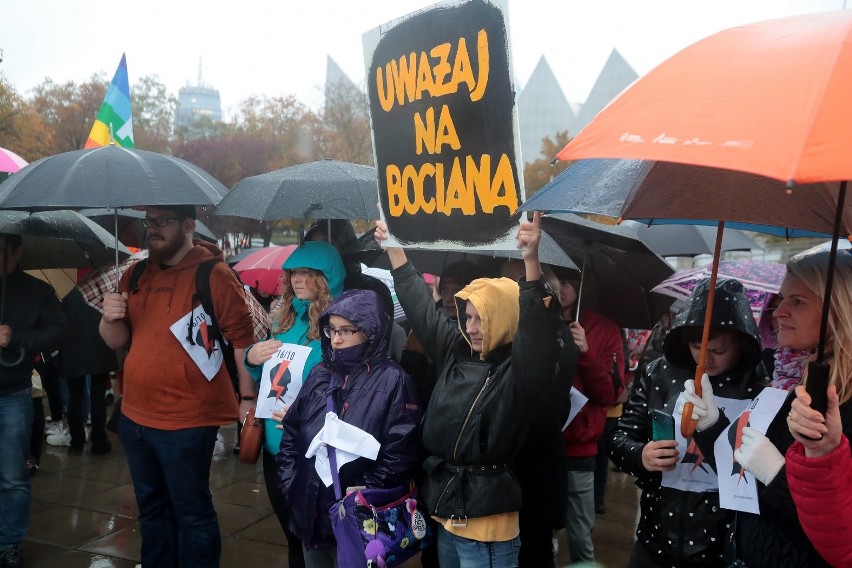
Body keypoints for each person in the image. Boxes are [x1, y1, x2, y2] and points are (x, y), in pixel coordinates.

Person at [375, 213, 562, 567]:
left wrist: (531, 262)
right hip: (448, 511)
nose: (471, 327)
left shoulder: (520, 372)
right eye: (467, 316)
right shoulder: (456, 350)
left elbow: (538, 336)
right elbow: (420, 307)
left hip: (486, 526)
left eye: (482, 318)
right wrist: (395, 249)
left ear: (505, 318)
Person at [99, 205, 255, 568]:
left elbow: (243, 342)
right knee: (151, 510)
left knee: (192, 512)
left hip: (187, 421)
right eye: (149, 222)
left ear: (188, 225)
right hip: (134, 415)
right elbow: (116, 340)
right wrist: (110, 317)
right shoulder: (135, 274)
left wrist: (247, 399)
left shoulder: (213, 275)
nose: (152, 229)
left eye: (162, 222)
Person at [610, 277, 765, 567]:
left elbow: (757, 475)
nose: (705, 359)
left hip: (722, 547)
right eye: (696, 346)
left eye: (718, 351)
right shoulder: (660, 373)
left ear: (743, 344)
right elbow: (621, 437)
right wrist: (640, 455)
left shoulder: (758, 385)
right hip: (653, 540)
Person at [275, 288, 421, 566]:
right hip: (310, 513)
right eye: (332, 330)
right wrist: (291, 483)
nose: (337, 340)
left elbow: (402, 453)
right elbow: (292, 432)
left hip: (359, 521)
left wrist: (367, 493)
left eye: (347, 331)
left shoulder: (394, 381)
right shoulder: (320, 372)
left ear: (371, 332)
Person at [244, 240, 346, 568]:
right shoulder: (284, 320)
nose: (296, 280)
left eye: (306, 272)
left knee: (314, 541)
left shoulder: (341, 327)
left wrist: (305, 417)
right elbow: (269, 378)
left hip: (313, 452)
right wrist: (252, 358)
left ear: (326, 276)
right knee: (292, 536)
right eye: (293, 273)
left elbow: (351, 392)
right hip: (276, 449)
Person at [500, 260, 576, 568]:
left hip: (532, 478)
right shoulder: (546, 336)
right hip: (528, 476)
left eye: (513, 286)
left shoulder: (547, 343)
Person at [0, 234, 68, 568]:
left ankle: (9, 543)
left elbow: (57, 332)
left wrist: (16, 337)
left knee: (13, 474)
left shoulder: (37, 291)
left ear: (17, 251)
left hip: (13, 392)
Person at [784, 251, 852, 567]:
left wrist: (771, 473)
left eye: (797, 301)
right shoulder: (790, 372)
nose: (778, 312)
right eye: (781, 299)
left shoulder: (842, 399)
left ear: (839, 309)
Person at [554, 265, 624, 565]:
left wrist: (587, 353)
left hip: (580, 447)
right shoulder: (537, 319)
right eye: (558, 280)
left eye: (569, 281)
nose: (562, 288)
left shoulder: (605, 329)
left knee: (580, 533)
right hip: (540, 444)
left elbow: (608, 395)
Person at [60, 287, 118, 455]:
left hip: (72, 342)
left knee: (75, 396)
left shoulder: (66, 279)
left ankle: (76, 441)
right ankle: (99, 440)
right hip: (99, 339)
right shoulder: (100, 279)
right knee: (98, 396)